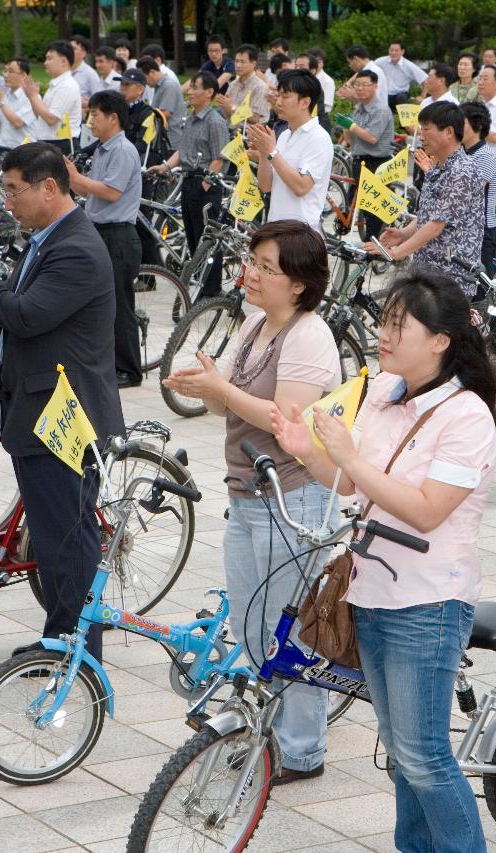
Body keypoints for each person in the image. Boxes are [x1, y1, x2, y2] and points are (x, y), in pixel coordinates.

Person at [270, 270, 496, 852]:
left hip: (428, 600)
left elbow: (427, 512)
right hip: (369, 591)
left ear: (441, 341)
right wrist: (310, 454)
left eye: (400, 325)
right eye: (384, 322)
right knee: (399, 753)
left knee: (423, 756)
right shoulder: (382, 393)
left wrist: (345, 454)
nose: (384, 334)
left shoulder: (467, 416)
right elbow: (353, 486)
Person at [164, 220, 341, 786]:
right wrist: (210, 387)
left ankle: (301, 750)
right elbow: (231, 410)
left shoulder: (309, 335)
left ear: (299, 284)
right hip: (247, 495)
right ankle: (267, 731)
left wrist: (222, 391)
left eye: (267, 267)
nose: (252, 274)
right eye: (252, 261)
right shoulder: (256, 323)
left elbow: (286, 420)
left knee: (290, 632)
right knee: (251, 625)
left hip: (294, 499)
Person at [0, 142, 123, 662]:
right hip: (38, 407)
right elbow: (11, 308)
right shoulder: (46, 239)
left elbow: (24, 315)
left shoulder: (77, 248)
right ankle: (60, 637)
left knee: (68, 537)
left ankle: (76, 650)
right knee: (52, 536)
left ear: (48, 187)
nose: (8, 201)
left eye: (14, 190)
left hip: (66, 414)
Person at [364, 102, 484, 300]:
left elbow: (436, 226)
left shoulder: (462, 172)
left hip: (449, 275)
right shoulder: (438, 167)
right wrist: (402, 234)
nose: (420, 135)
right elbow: (427, 216)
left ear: (448, 132)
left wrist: (395, 253)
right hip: (427, 268)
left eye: (426, 129)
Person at [67, 90, 142, 389]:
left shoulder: (123, 150)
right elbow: (91, 192)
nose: (91, 121)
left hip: (119, 235)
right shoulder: (101, 150)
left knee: (120, 306)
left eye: (95, 115)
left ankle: (129, 370)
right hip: (99, 231)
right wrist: (75, 181)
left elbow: (111, 192)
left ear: (113, 117)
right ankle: (104, 361)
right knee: (99, 303)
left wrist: (74, 176)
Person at [149, 72, 229, 298]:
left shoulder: (215, 121)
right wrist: (165, 167)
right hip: (188, 181)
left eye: (195, 87)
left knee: (208, 239)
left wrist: (205, 184)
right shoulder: (191, 118)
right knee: (193, 237)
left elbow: (220, 158)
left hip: (205, 185)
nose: (190, 92)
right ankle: (200, 282)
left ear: (209, 92)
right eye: (191, 87)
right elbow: (182, 152)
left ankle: (212, 289)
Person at [249, 69, 331, 232]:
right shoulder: (285, 135)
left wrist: (272, 152)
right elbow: (266, 186)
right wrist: (265, 154)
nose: (278, 102)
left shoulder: (318, 138)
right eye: (278, 95)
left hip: (300, 232)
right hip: (276, 227)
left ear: (305, 103)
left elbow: (301, 187)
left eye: (285, 96)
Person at [340, 69, 394, 239]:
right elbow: (349, 140)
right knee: (353, 204)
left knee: (373, 209)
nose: (360, 88)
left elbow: (372, 138)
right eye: (357, 84)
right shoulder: (359, 108)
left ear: (375, 87)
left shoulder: (381, 109)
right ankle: (355, 237)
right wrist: (345, 125)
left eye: (365, 85)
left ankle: (373, 247)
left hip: (377, 162)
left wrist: (352, 126)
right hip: (359, 160)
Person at [461, 102, 496, 270]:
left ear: (477, 126)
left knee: (479, 290)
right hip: (465, 227)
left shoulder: (485, 155)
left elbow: (467, 192)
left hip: (481, 229)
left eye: (461, 123)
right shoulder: (463, 152)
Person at [24, 42, 81, 156]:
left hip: (61, 144)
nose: (45, 63)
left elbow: (51, 119)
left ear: (63, 61)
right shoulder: (56, 84)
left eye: (49, 59)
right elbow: (40, 116)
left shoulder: (67, 85)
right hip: (48, 143)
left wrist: (33, 96)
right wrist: (32, 97)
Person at [0, 57, 34, 152]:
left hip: (24, 150)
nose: (6, 75)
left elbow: (18, 123)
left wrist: (1, 103)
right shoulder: (5, 96)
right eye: (5, 71)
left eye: (10, 71)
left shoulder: (32, 97)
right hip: (4, 149)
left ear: (23, 75)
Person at [218, 44, 272, 125]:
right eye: (236, 61)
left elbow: (256, 118)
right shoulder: (233, 85)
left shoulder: (260, 87)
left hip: (249, 134)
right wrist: (225, 106)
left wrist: (232, 107)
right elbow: (227, 116)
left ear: (253, 64)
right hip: (230, 130)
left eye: (242, 62)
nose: (238, 65)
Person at [376, 40, 427, 111]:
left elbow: (425, 80)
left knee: (401, 97)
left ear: (402, 52)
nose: (393, 53)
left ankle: (401, 117)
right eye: (391, 50)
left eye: (396, 50)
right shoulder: (380, 61)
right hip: (385, 95)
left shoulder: (409, 65)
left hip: (401, 95)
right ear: (388, 50)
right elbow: (368, 70)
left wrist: (422, 97)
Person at [137, 57, 183, 123]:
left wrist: (143, 119)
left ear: (152, 72)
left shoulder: (168, 85)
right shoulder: (159, 85)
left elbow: (165, 114)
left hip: (170, 132)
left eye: (144, 78)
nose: (144, 82)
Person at [68, 37, 102, 102]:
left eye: (74, 48)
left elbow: (98, 99)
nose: (70, 51)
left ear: (83, 53)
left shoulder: (90, 73)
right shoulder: (62, 70)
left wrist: (88, 103)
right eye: (69, 48)